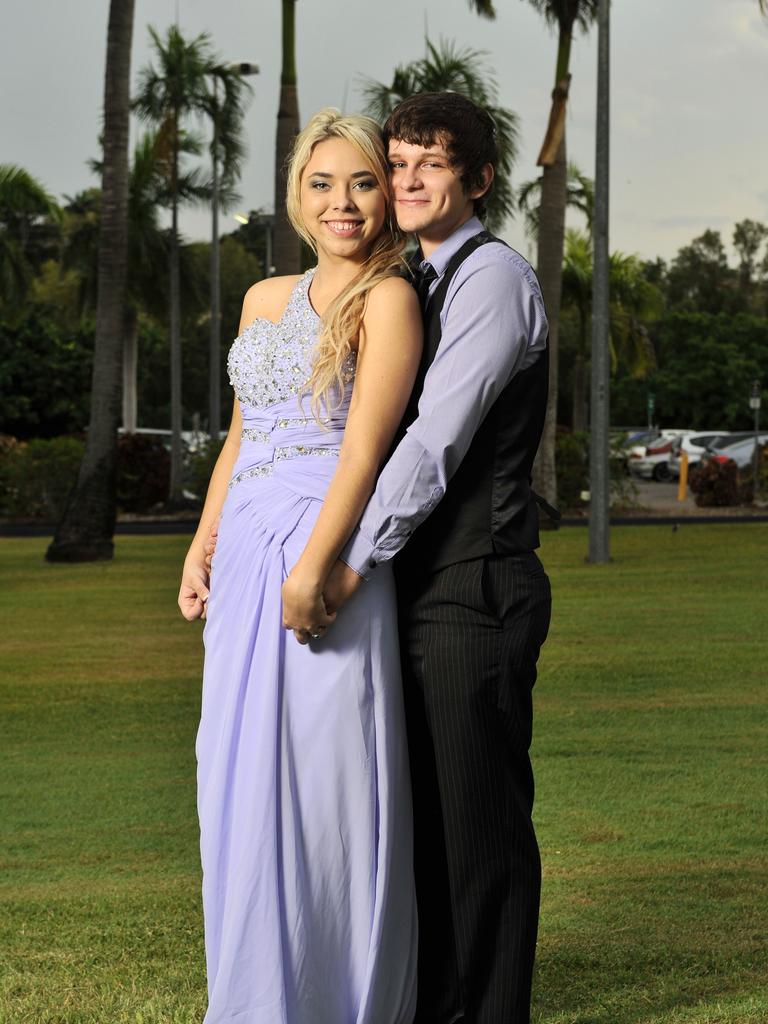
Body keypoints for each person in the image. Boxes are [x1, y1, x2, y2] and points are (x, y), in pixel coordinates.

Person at [311, 93, 554, 1023]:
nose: (408, 180)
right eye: (399, 162)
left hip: (476, 583)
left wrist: (348, 562)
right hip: (418, 590)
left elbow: (433, 445)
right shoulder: (408, 278)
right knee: (417, 821)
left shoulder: (490, 279)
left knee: (476, 827)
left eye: (433, 164)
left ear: (479, 179)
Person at [178, 108, 422, 1024]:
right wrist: (204, 550)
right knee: (233, 776)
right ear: (297, 197)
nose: (343, 202)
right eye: (323, 184)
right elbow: (240, 441)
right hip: (245, 557)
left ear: (385, 197)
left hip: (323, 558)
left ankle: (334, 997)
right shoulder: (261, 298)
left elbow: (365, 455)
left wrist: (314, 570)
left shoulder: (390, 299)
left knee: (325, 785)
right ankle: (253, 996)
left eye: (362, 182)